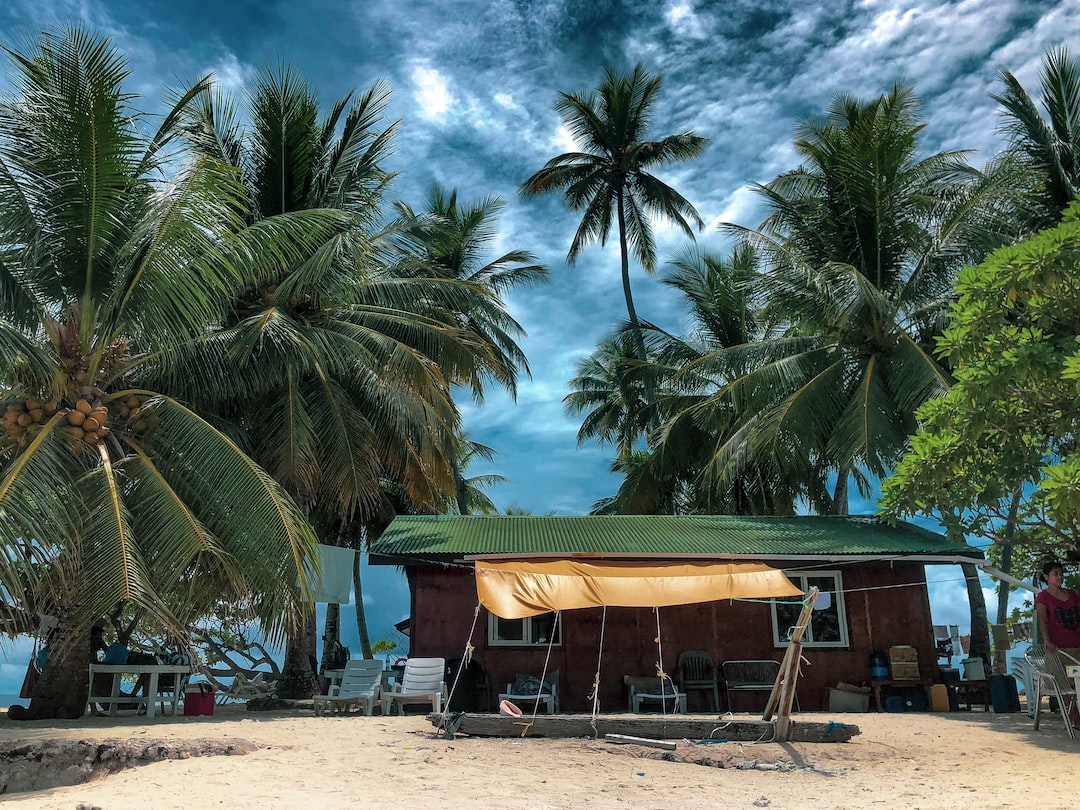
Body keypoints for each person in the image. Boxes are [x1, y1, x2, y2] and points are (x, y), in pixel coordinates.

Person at [1034, 560, 1080, 727]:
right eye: (1055, 574)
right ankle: (1076, 718)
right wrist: (1047, 641)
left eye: (1061, 574)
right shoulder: (1043, 597)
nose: (1059, 577)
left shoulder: (1073, 594)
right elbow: (1043, 621)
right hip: (1057, 649)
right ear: (1046, 577)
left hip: (1077, 645)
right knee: (1063, 685)